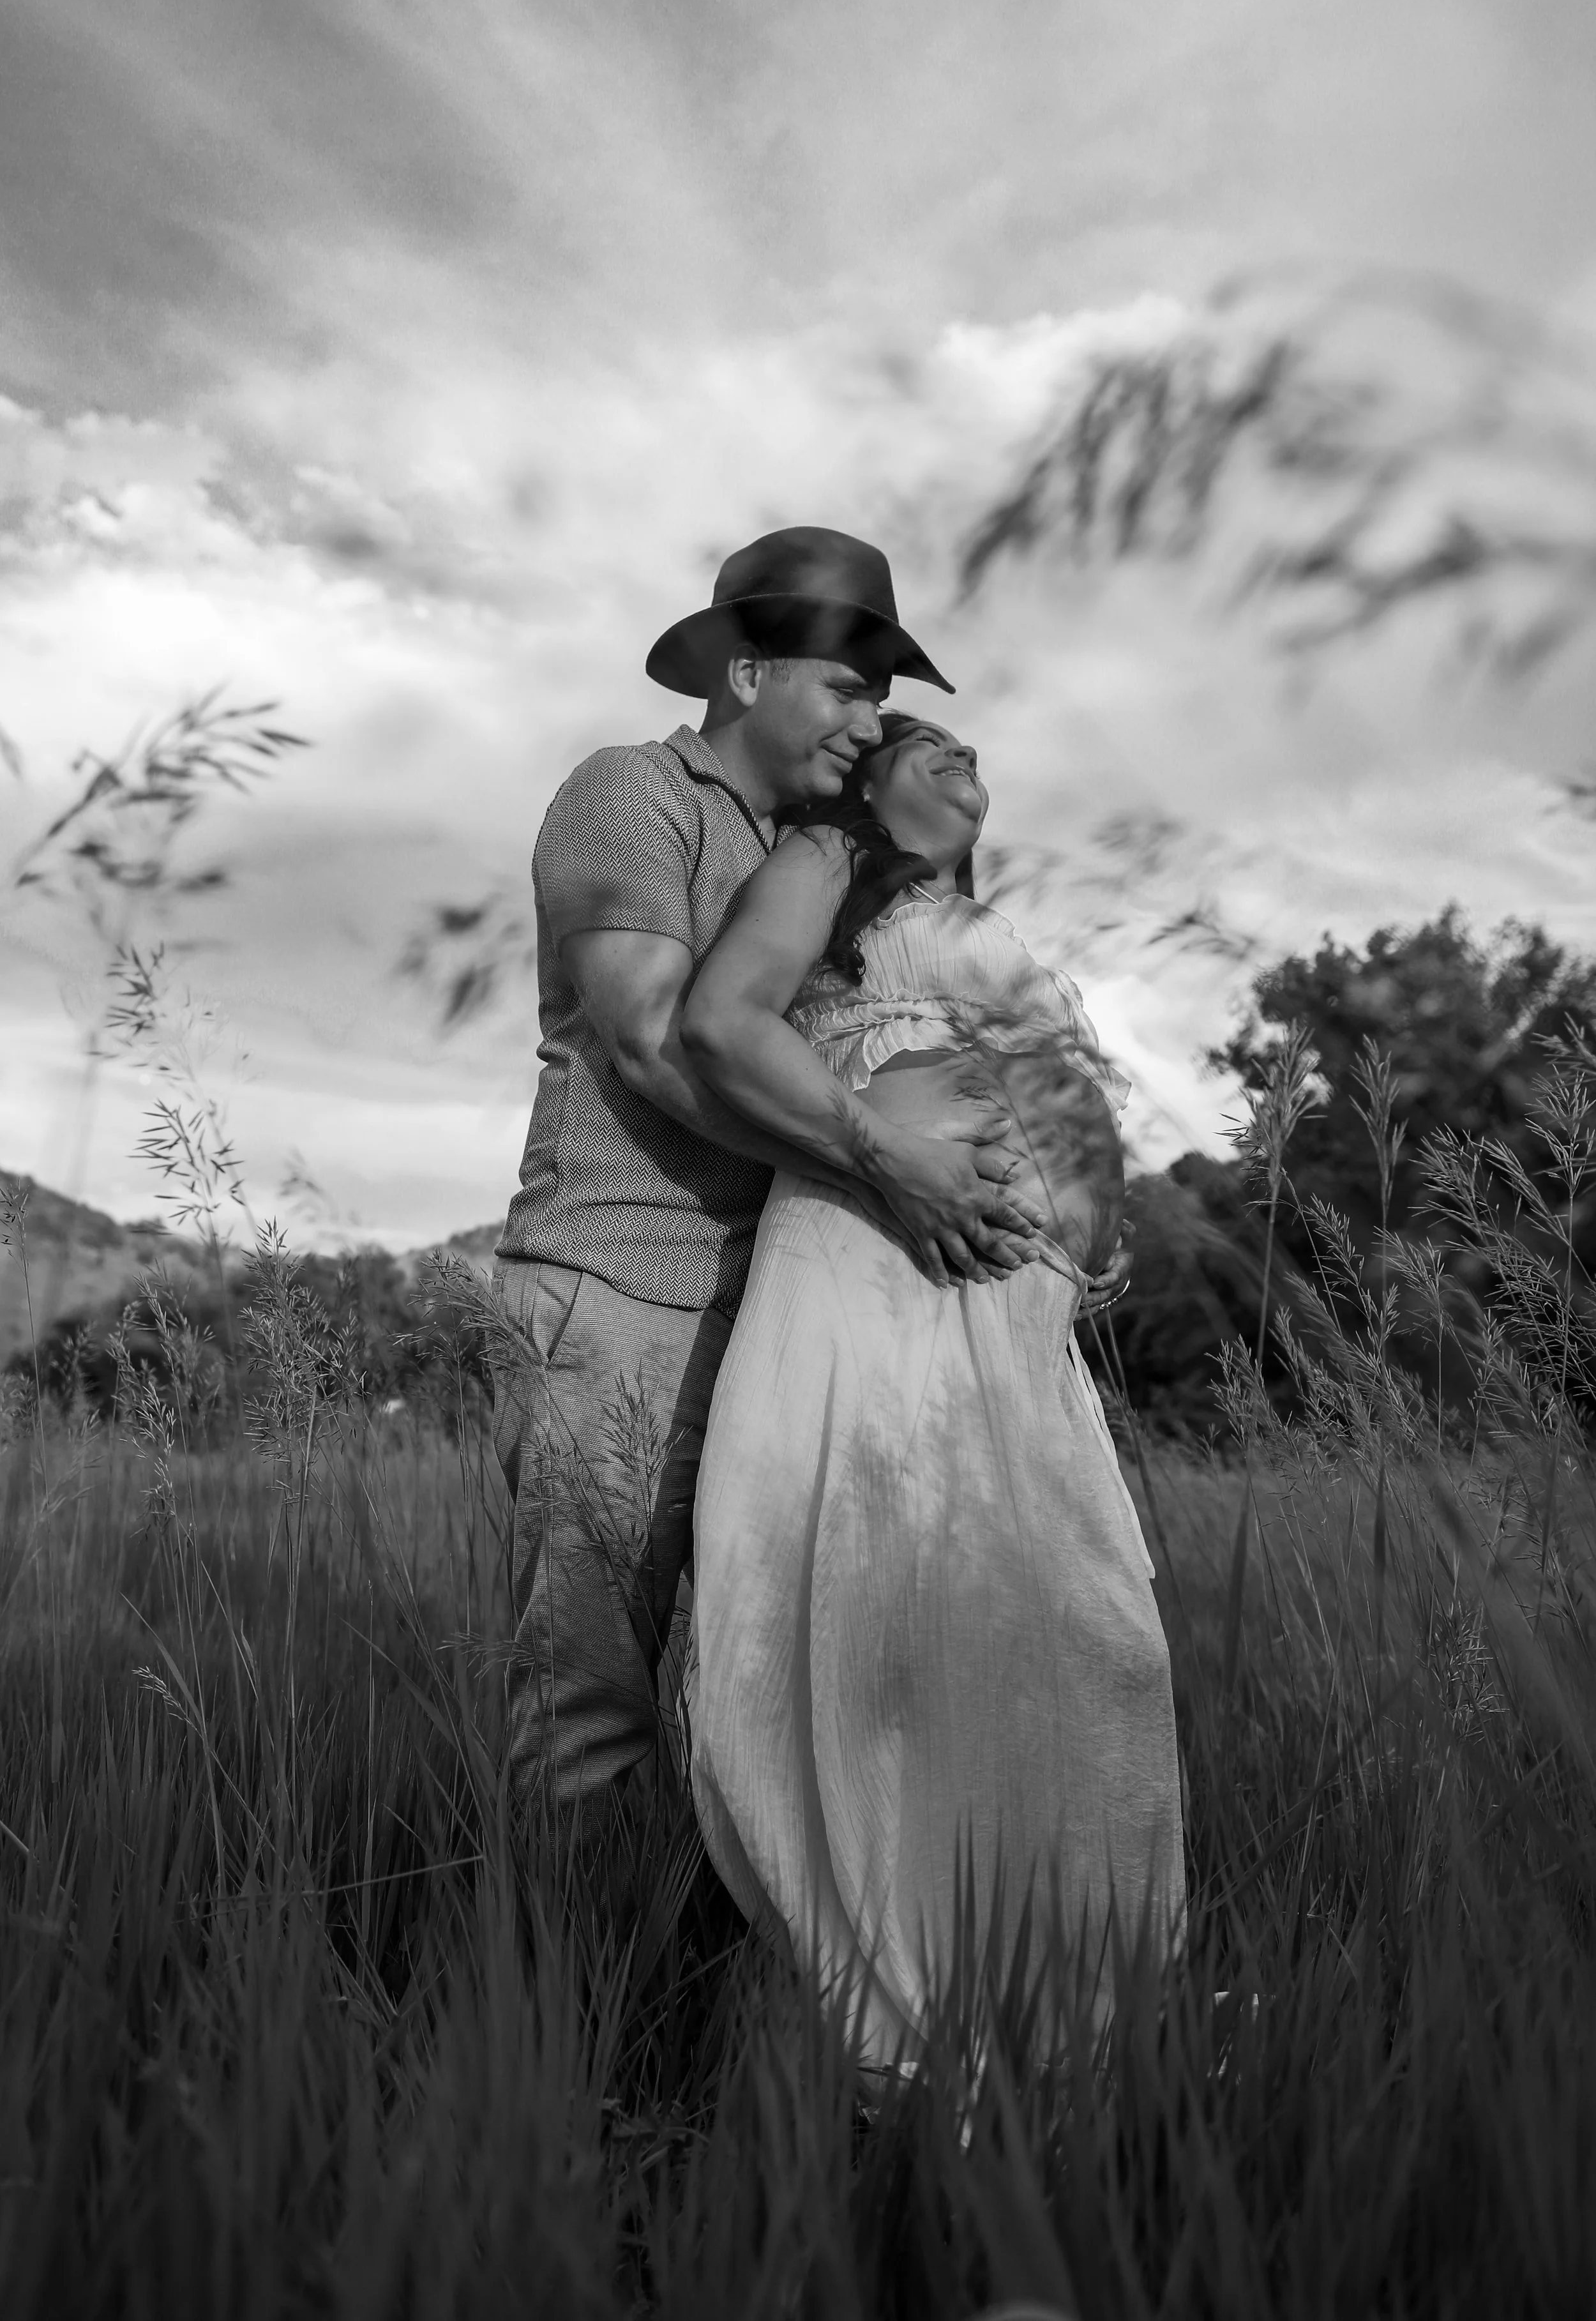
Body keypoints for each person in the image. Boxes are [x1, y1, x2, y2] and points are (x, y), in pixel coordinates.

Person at [490, 528, 1050, 1823]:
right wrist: (881, 1169)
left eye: (879, 699)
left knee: (771, 1699)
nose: (870, 722)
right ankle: (579, 2018)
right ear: (746, 676)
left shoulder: (823, 851)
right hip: (621, 1289)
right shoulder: (630, 792)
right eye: (847, 687)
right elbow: (645, 1036)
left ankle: (729, 1998)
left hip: (788, 1310)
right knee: (588, 1708)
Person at [681, 711, 1186, 2066]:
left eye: (976, 753)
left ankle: (1065, 1998)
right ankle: (890, 2007)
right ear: (866, 779)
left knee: (1069, 1625)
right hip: (872, 1255)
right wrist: (888, 1158)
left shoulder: (979, 923)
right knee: (877, 1606)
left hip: (1007, 1310)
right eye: (930, 745)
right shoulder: (821, 866)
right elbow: (720, 1023)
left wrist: (1071, 1237)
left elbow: (1077, 1119)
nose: (969, 762)